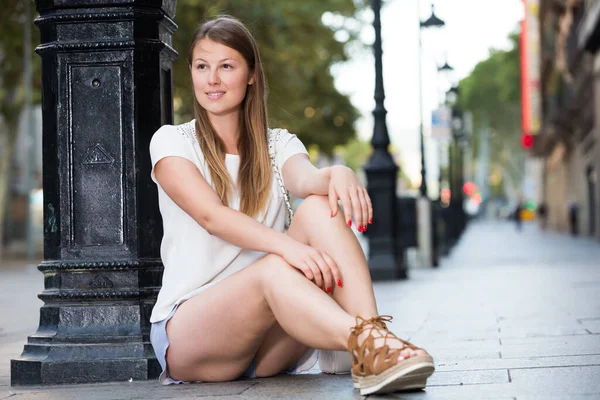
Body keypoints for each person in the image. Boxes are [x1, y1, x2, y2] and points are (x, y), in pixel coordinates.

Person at [148, 15, 434, 396]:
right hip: (194, 336)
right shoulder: (172, 142)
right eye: (202, 67)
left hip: (267, 345)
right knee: (274, 270)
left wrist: (337, 173)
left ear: (250, 74)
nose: (212, 79)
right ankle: (370, 343)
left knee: (318, 207)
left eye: (226, 66)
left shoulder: (277, 143)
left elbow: (306, 180)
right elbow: (211, 216)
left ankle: (372, 346)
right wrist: (289, 248)